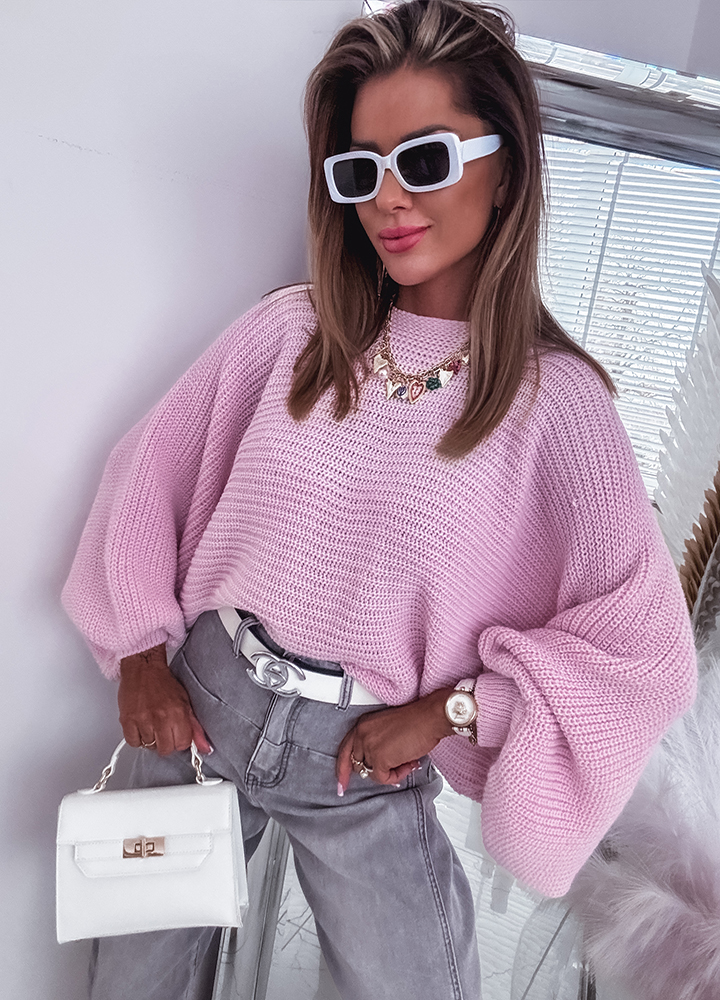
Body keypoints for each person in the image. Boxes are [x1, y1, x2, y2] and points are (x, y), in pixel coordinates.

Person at [62, 2, 697, 998]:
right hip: (204, 711)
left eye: (425, 160)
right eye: (359, 171)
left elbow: (643, 653)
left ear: (507, 168)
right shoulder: (292, 334)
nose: (388, 199)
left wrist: (453, 709)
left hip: (362, 759)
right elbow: (148, 475)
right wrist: (141, 653)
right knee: (130, 986)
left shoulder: (556, 406)